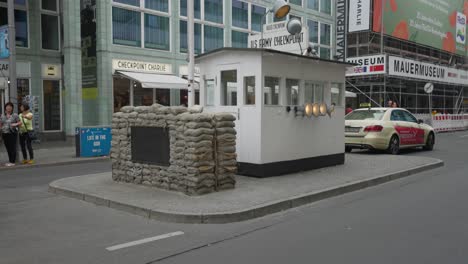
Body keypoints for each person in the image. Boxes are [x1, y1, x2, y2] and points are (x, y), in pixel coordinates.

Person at [0, 102, 21, 167]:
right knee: (8, 147)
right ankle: (10, 161)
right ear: (5, 108)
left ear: (12, 108)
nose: (9, 108)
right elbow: (1, 123)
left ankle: (12, 161)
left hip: (12, 133)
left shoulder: (15, 115)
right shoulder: (3, 115)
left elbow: (20, 122)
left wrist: (15, 124)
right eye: (7, 106)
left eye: (10, 107)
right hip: (4, 133)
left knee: (12, 147)